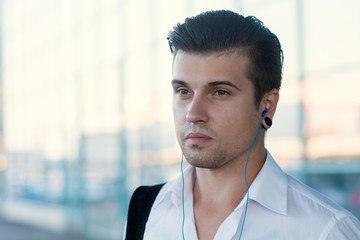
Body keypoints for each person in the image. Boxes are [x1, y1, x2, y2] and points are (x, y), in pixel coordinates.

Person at [125, 10, 360, 240]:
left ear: (267, 105)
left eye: (219, 92)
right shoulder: (146, 208)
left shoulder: (325, 230)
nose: (193, 114)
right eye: (183, 91)